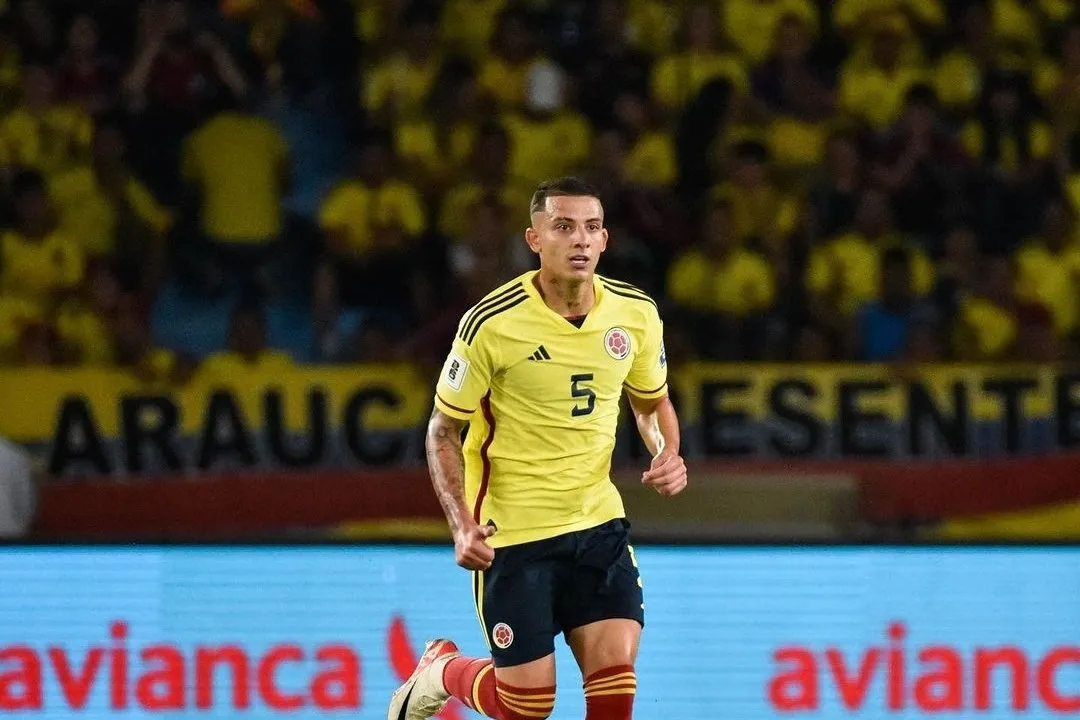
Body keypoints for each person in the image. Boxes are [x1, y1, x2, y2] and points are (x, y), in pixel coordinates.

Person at [388, 177, 688, 720]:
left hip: (597, 522)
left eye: (591, 228)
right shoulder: (492, 323)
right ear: (534, 239)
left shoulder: (635, 314)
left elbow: (650, 402)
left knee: (615, 693)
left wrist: (666, 451)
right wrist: (459, 522)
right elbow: (441, 430)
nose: (580, 240)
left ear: (604, 241)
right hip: (514, 530)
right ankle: (440, 669)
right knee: (526, 708)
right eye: (564, 227)